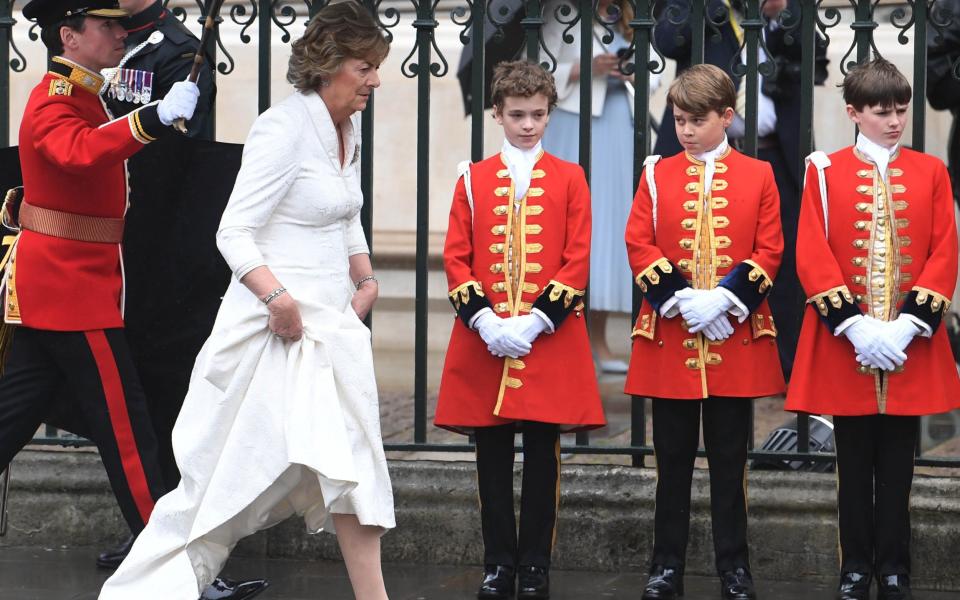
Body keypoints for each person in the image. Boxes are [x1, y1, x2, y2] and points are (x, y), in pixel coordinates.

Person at [98, 3, 395, 599]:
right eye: (365, 67)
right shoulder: (282, 128)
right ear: (331, 65)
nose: (375, 80)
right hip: (272, 329)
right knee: (225, 479)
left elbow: (346, 212)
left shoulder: (347, 126)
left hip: (330, 327)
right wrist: (278, 299)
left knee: (355, 462)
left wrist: (364, 276)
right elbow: (232, 231)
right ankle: (151, 587)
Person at [785, 58, 960, 600]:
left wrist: (909, 326)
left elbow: (944, 251)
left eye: (900, 110)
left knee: (900, 467)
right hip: (847, 344)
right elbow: (811, 252)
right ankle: (855, 566)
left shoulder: (932, 172)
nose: (894, 121)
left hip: (910, 345)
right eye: (881, 111)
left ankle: (894, 568)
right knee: (853, 467)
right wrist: (855, 327)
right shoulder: (824, 171)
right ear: (854, 113)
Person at [434, 60, 606, 600]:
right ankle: (497, 564)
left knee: (542, 462)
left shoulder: (571, 176)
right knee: (490, 460)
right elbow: (456, 257)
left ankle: (535, 565)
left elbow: (577, 259)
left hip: (548, 340)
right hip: (484, 341)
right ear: (497, 115)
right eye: (516, 115)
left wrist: (534, 321)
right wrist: (485, 319)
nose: (527, 125)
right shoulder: (472, 177)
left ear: (550, 113)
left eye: (536, 114)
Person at [624, 64, 785, 600]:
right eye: (679, 120)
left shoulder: (759, 175)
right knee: (670, 462)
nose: (686, 131)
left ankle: (734, 568)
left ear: (727, 117)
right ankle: (664, 565)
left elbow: (769, 250)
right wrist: (681, 299)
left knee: (729, 464)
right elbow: (639, 243)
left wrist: (726, 299)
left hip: (734, 337)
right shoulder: (655, 172)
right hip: (671, 337)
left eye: (697, 120)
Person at [94, 0, 219, 571]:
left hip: (153, 243)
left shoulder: (180, 50)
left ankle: (164, 526)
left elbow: (175, 153)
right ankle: (145, 522)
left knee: (156, 386)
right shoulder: (101, 38)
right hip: (101, 238)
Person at [654, 0, 829, 381]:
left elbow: (817, 56)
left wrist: (782, 13)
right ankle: (683, 357)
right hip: (700, 155)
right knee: (694, 250)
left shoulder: (784, 8)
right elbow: (667, 40)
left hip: (773, 151)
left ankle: (785, 365)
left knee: (780, 258)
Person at [540, 0, 658, 373]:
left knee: (612, 227)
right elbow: (539, 67)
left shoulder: (631, 13)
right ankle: (563, 336)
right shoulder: (559, 10)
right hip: (574, 120)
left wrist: (630, 71)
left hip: (620, 121)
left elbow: (654, 72)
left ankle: (599, 340)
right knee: (572, 225)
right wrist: (583, 69)